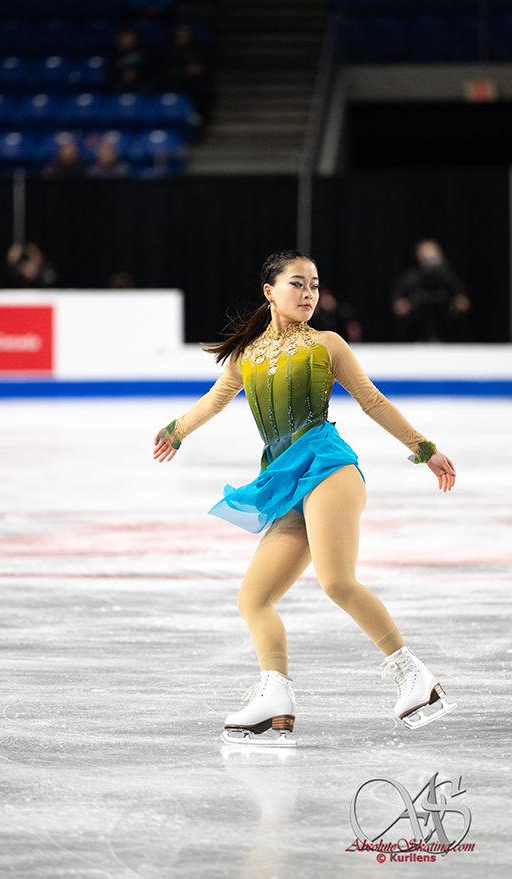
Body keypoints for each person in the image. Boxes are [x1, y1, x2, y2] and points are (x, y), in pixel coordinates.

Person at [154, 249, 457, 746]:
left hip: (328, 469)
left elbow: (372, 400)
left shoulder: (327, 344)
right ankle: (275, 694)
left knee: (336, 581)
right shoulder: (248, 355)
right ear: (270, 291)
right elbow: (216, 398)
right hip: (286, 481)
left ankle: (414, 676)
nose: (309, 293)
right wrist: (177, 429)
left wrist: (424, 448)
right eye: (297, 283)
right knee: (253, 599)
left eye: (314, 285)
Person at [392, 239, 471, 342]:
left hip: (446, 331)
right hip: (415, 331)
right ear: (418, 256)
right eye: (425, 252)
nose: (429, 256)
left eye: (432, 251)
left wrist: (454, 305)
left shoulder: (448, 277)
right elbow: (397, 305)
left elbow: (464, 302)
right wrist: (409, 305)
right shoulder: (410, 278)